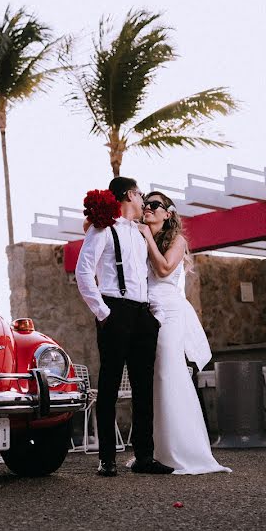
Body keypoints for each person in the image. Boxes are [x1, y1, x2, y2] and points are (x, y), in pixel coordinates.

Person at [75, 177, 174, 477]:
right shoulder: (103, 229)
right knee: (109, 387)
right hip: (114, 311)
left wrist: (152, 316)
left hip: (142, 315)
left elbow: (147, 274)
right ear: (130, 195)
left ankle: (144, 456)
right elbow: (83, 272)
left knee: (144, 388)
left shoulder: (140, 232)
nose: (143, 199)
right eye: (141, 194)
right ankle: (107, 459)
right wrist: (103, 313)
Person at [137, 191, 231, 474]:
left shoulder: (176, 241)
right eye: (145, 205)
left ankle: (184, 450)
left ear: (168, 214)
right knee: (152, 379)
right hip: (146, 311)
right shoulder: (138, 239)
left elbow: (164, 270)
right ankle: (157, 451)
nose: (148, 209)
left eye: (155, 205)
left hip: (169, 312)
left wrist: (147, 238)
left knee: (169, 372)